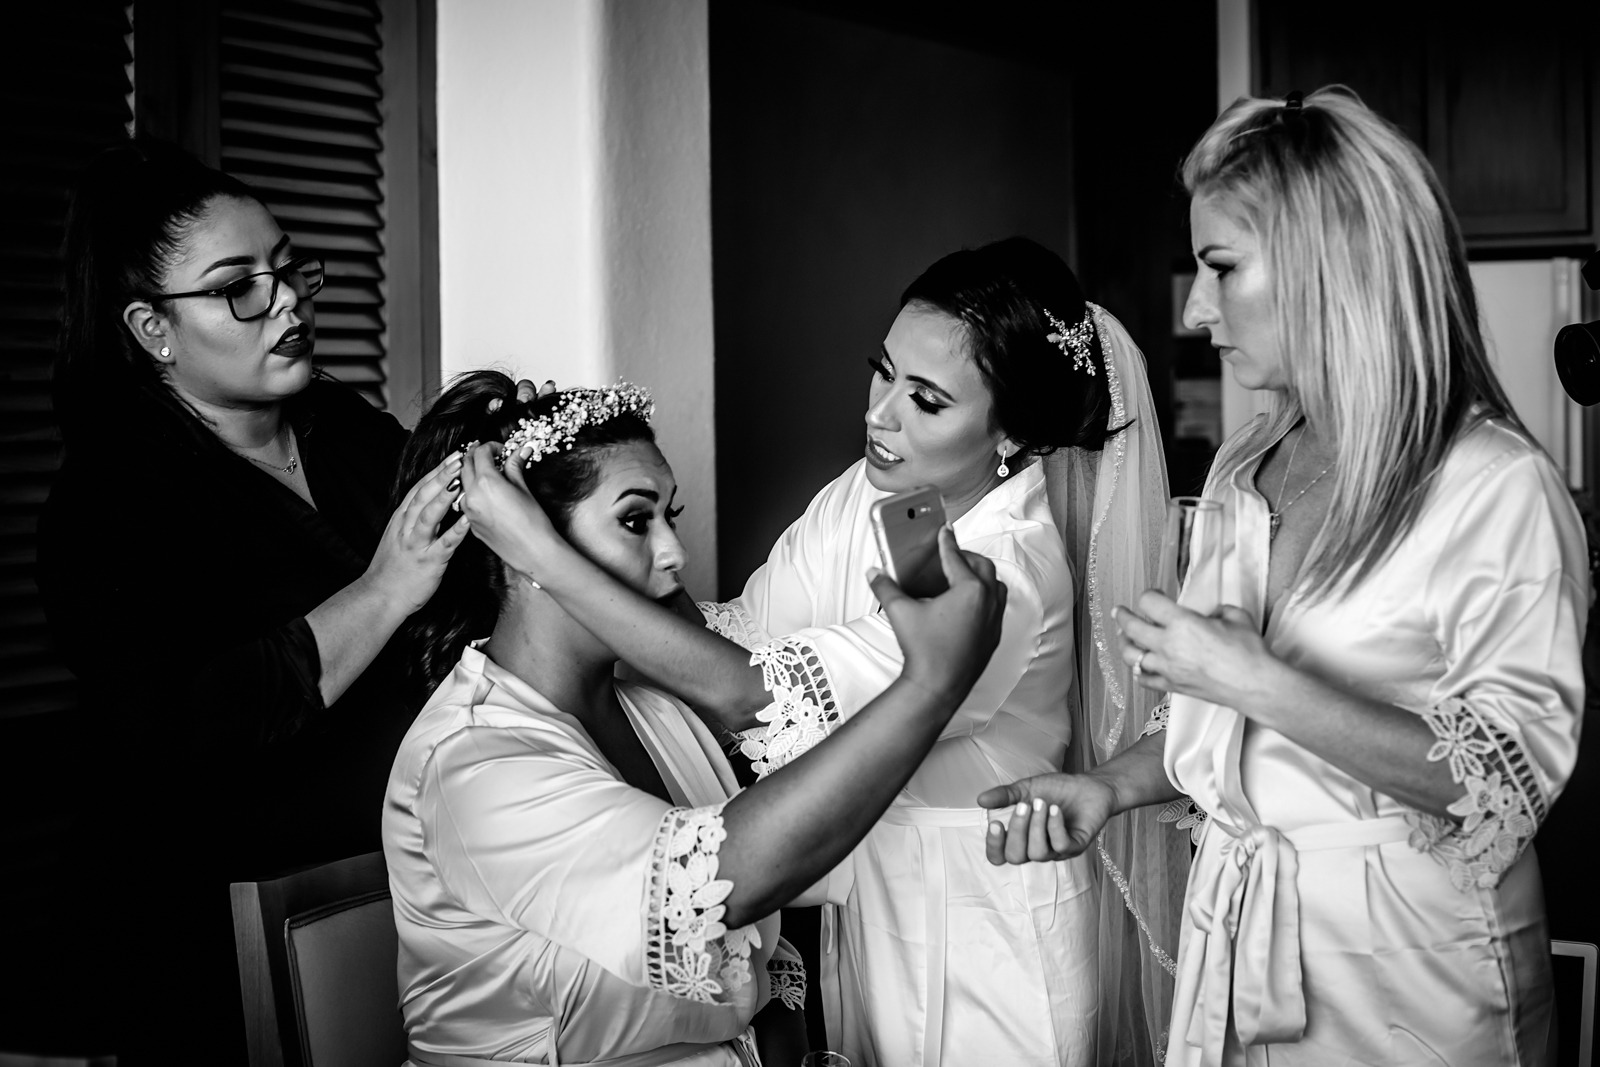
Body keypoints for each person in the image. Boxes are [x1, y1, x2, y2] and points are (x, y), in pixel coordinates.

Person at [456, 238, 1186, 1066]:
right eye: (883, 371)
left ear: (1010, 429)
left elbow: (755, 698)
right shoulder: (860, 494)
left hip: (993, 922)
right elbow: (737, 641)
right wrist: (580, 544)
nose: (880, 414)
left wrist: (543, 557)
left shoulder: (1009, 571)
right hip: (872, 897)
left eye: (927, 400)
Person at [982, 88, 1588, 1066]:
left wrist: (1258, 678)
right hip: (1231, 952)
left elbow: (1503, 785)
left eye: (1220, 266)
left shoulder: (1491, 486)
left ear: (1329, 266)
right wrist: (1105, 787)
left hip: (1404, 980)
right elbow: (1211, 719)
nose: (1192, 306)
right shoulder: (1242, 464)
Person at [35, 140, 529, 1062]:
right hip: (223, 935)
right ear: (152, 328)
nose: (288, 300)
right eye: (240, 287)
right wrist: (384, 589)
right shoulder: (106, 507)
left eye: (288, 267)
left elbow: (470, 586)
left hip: (414, 885)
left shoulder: (343, 429)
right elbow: (193, 722)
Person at [384, 372, 1008, 1066]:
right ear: (527, 549)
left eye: (669, 516)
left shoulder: (657, 709)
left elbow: (762, 954)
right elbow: (723, 882)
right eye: (634, 519)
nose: (675, 552)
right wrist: (929, 684)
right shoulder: (476, 761)